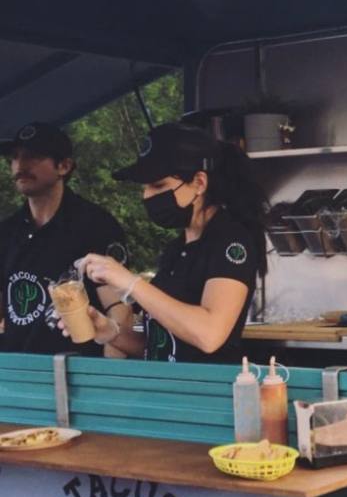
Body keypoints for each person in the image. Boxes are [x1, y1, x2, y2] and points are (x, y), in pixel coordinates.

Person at [70, 123, 266, 363]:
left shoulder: (230, 241)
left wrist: (132, 284)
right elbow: (161, 346)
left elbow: (210, 334)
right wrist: (109, 332)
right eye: (144, 187)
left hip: (204, 386)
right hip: (167, 384)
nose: (147, 196)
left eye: (158, 185)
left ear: (199, 183)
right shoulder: (177, 248)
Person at [0, 121, 130, 355]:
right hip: (16, 370)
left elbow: (119, 311)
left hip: (76, 371)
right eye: (15, 157)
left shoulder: (96, 225)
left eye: (33, 156)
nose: (20, 165)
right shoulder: (7, 231)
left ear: (64, 166)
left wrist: (110, 372)